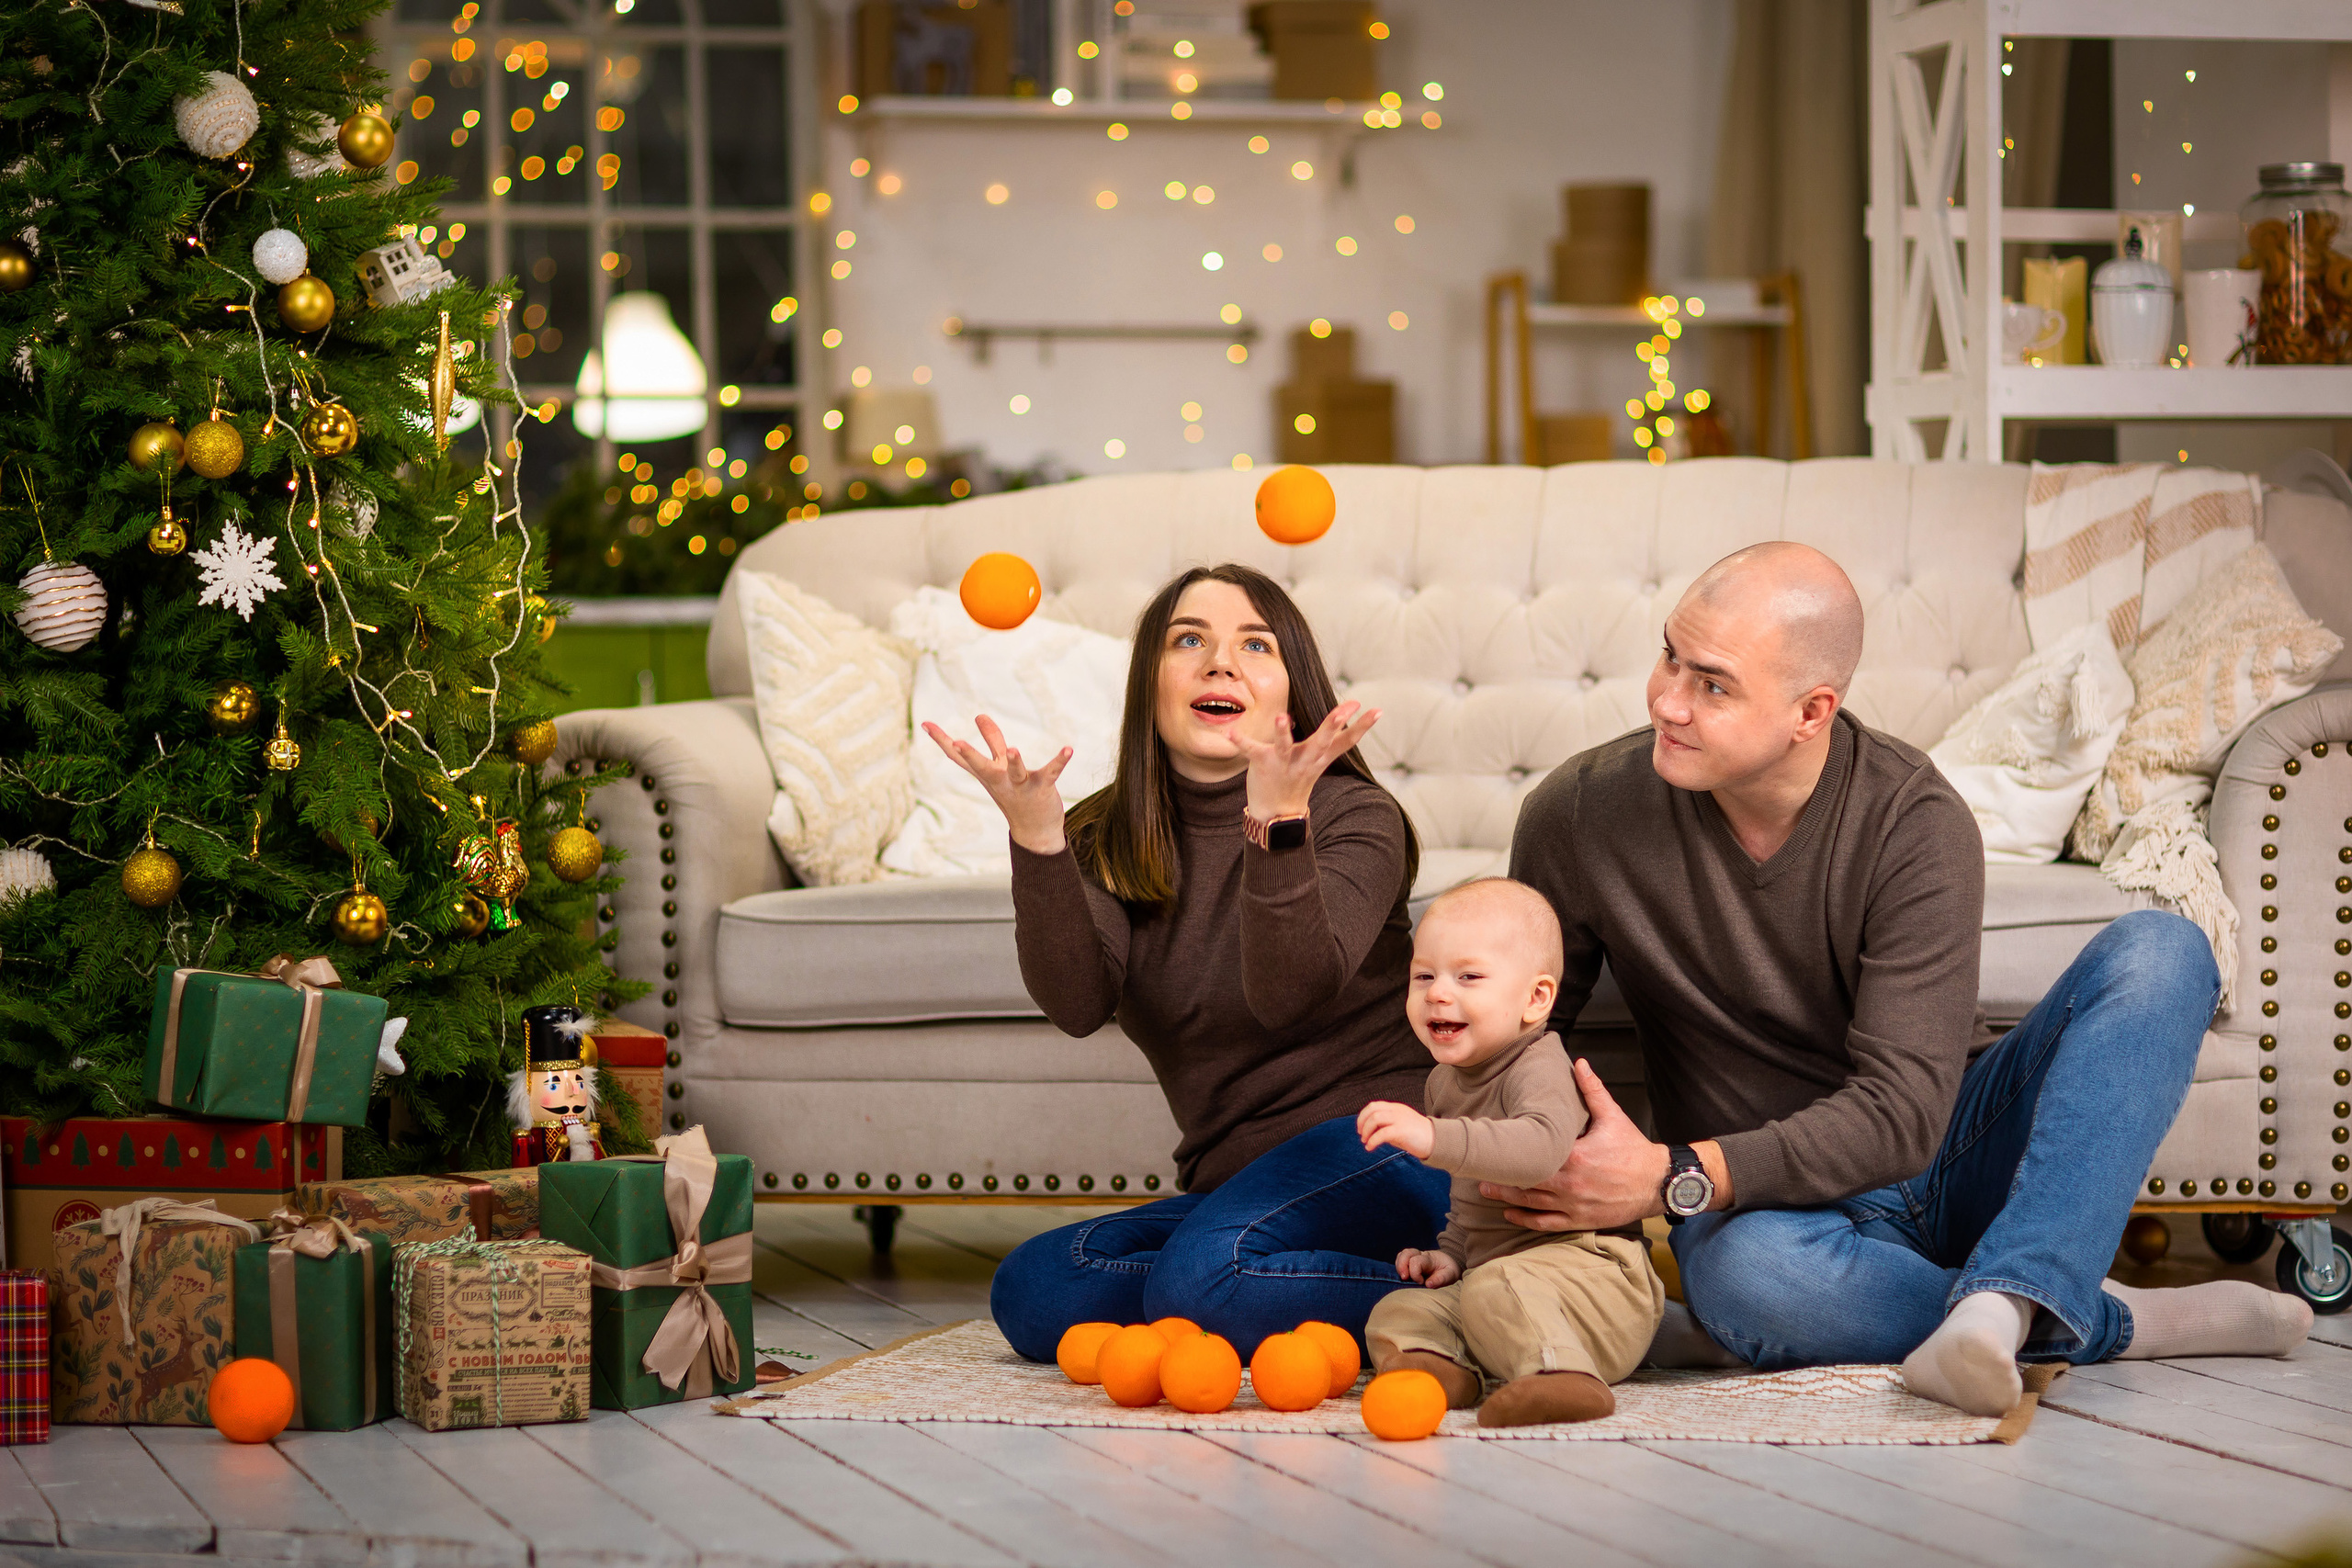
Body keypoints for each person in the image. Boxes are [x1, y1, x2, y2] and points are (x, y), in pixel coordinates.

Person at [1498, 541, 2312, 1417]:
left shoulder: (1915, 822)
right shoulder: (1579, 813)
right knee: (1745, 1278)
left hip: (1950, 1158)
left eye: (1713, 684)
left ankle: (2010, 1296)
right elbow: (1522, 1041)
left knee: (2166, 949)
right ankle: (2069, 1310)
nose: (1667, 700)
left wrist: (1671, 1176)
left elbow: (1901, 1115)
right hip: (1775, 1216)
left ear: (1811, 711)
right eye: (1670, 656)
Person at [926, 562, 1450, 1362]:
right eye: (1189, 640)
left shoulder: (1355, 816)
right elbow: (1076, 1004)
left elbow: (1291, 997)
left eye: (1255, 644)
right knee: (1038, 1288)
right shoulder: (1105, 833)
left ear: (1290, 689)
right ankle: (1365, 1285)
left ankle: (1484, 1296)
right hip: (1242, 1190)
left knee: (1199, 1283)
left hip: (1390, 1150)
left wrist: (1277, 820)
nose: (1220, 661)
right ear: (1152, 684)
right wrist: (1039, 841)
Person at [1357, 877, 1664, 1427]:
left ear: (1535, 999)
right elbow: (1472, 1196)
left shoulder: (1539, 1065)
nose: (1438, 993)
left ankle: (1562, 1379)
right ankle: (1442, 1368)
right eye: (1424, 975)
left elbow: (1539, 1150)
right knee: (1400, 1308)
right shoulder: (1446, 1081)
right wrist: (1449, 1253)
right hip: (1499, 1283)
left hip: (1596, 1282)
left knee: (1498, 1287)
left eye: (1468, 977)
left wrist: (1434, 1138)